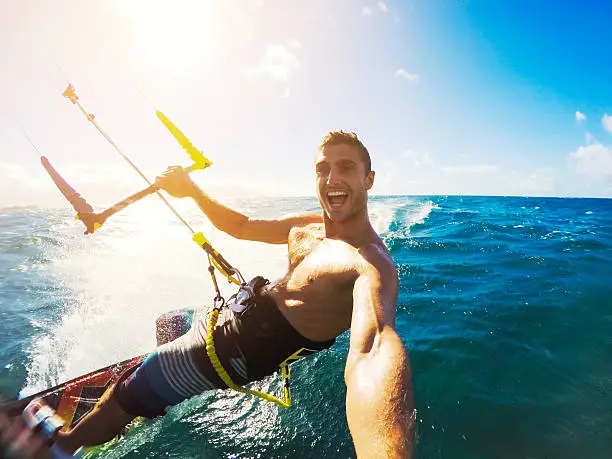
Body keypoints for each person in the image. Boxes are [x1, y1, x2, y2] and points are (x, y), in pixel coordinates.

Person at [47, 131, 414, 457]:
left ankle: (60, 446)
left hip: (231, 353)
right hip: (226, 318)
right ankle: (154, 391)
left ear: (368, 179)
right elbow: (241, 226)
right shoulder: (309, 226)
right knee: (167, 321)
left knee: (122, 396)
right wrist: (191, 190)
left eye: (346, 168)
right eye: (323, 169)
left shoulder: (368, 263)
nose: (332, 178)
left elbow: (374, 350)